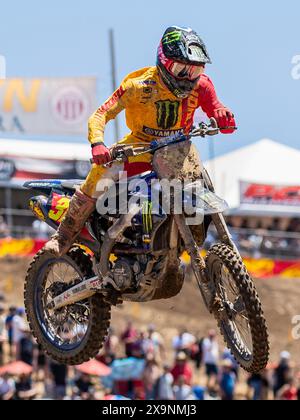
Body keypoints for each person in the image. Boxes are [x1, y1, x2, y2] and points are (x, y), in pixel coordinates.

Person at [44, 25, 235, 258]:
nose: (188, 78)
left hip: (178, 152)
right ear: (164, 62)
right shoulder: (138, 86)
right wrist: (98, 143)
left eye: (194, 71)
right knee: (100, 172)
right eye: (180, 69)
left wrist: (223, 116)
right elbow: (101, 114)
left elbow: (216, 108)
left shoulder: (202, 85)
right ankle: (63, 237)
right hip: (139, 147)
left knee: (203, 184)